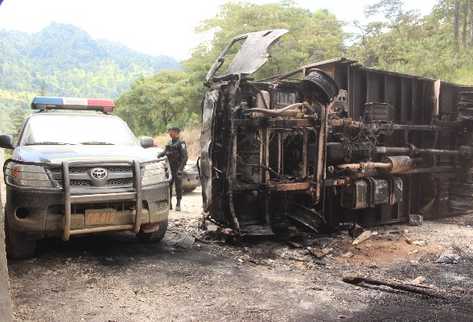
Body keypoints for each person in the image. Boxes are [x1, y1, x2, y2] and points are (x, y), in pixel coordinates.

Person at [158, 126, 188, 211]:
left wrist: (180, 169)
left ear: (177, 133)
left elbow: (184, 157)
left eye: (172, 132)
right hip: (170, 168)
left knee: (178, 186)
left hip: (177, 168)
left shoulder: (181, 143)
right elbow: (165, 151)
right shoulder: (169, 142)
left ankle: (178, 203)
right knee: (168, 186)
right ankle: (169, 203)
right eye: (170, 132)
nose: (170, 133)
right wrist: (159, 155)